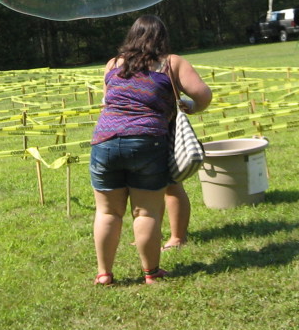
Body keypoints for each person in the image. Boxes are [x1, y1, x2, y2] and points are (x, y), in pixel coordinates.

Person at [90, 15, 212, 286]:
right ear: (162, 38)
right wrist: (192, 107)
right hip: (147, 142)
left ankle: (104, 274)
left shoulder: (112, 63)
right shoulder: (172, 62)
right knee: (146, 212)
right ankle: (151, 273)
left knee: (107, 212)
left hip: (104, 141)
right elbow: (203, 94)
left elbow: (106, 99)